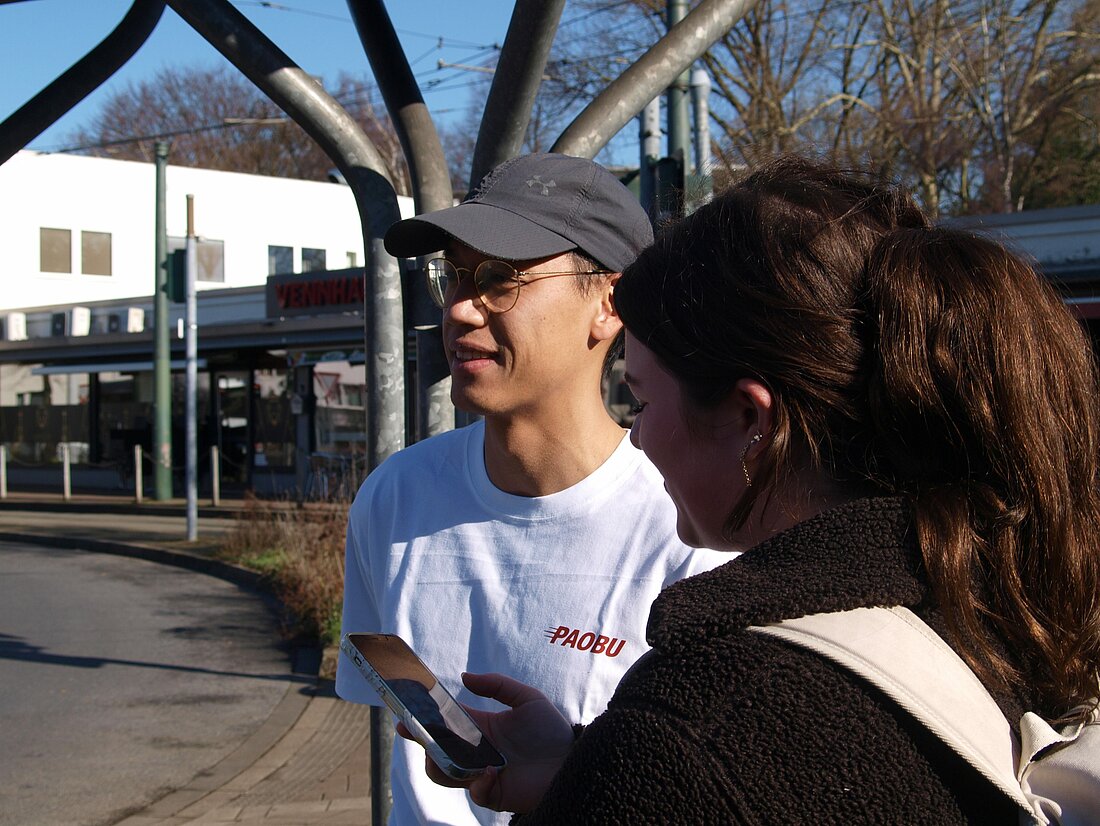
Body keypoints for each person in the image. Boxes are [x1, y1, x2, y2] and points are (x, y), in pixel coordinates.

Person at [418, 156, 1100, 823]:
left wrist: (624, 772)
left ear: (751, 420)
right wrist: (586, 771)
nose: (640, 437)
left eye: (643, 401)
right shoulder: (1008, 605)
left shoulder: (703, 724)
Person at [335, 153, 725, 825]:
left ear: (609, 304)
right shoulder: (393, 497)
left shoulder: (688, 530)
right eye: (453, 277)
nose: (460, 310)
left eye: (498, 279)